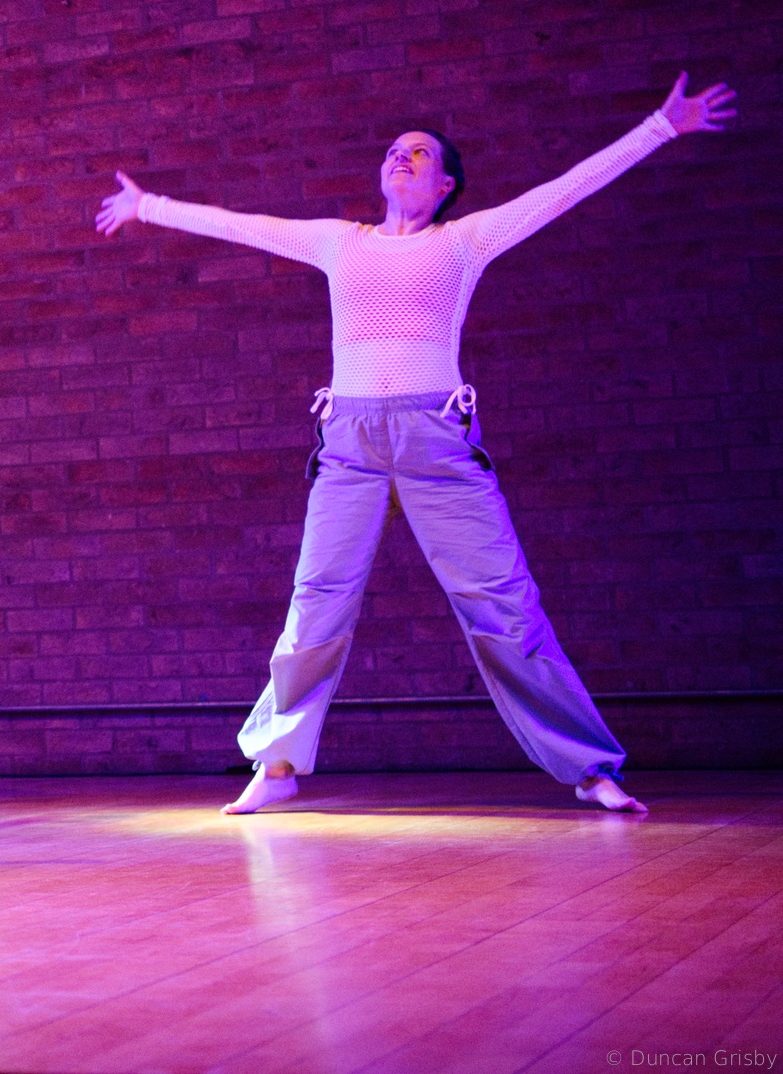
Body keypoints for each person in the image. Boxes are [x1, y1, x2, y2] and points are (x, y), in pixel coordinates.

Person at [94, 74, 736, 816]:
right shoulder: (340, 242)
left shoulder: (464, 241)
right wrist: (148, 206)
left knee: (504, 606)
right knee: (316, 602)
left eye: (420, 152)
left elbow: (562, 191)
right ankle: (278, 764)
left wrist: (660, 126)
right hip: (350, 443)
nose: (402, 157)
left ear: (445, 184)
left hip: (437, 442)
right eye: (394, 150)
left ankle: (589, 767)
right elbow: (245, 225)